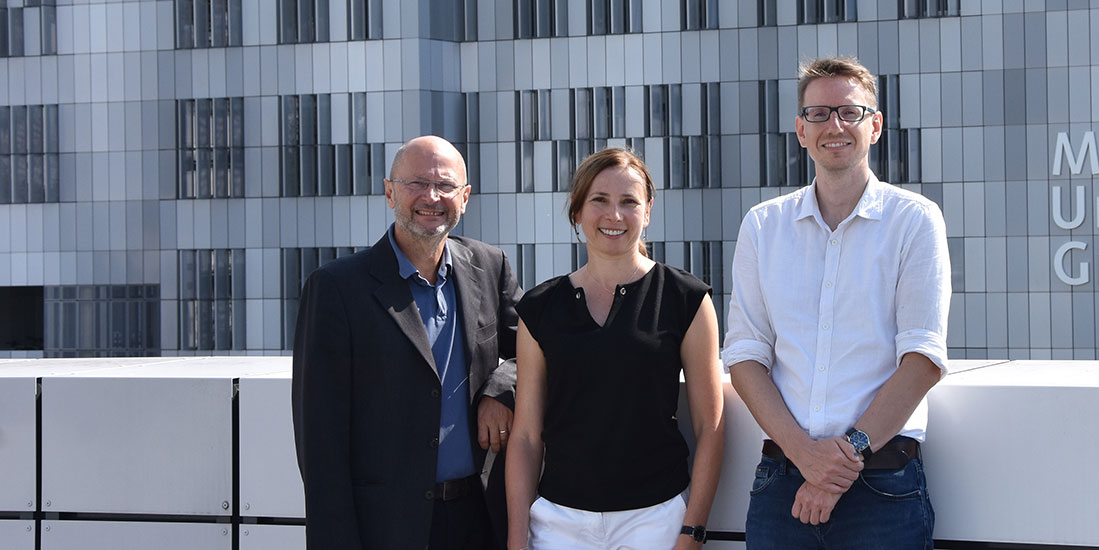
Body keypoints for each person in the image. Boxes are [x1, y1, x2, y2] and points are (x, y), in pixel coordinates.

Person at [722, 56, 951, 549]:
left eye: (850, 112)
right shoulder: (763, 226)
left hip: (884, 486)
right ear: (801, 130)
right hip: (783, 481)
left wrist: (839, 463)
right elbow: (743, 357)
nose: (836, 126)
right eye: (820, 114)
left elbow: (923, 360)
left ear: (876, 125)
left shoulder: (915, 220)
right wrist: (805, 455)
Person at [293, 135, 522, 550]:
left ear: (465, 197)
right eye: (416, 183)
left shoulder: (491, 266)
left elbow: (537, 346)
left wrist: (501, 387)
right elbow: (320, 442)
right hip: (386, 527)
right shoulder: (337, 289)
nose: (431, 197)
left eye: (445, 186)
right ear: (389, 192)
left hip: (482, 517)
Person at [505, 148, 725, 550]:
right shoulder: (539, 308)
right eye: (599, 201)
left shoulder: (686, 298)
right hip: (558, 522)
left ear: (648, 210)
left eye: (629, 202)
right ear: (577, 212)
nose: (615, 215)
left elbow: (710, 427)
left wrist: (691, 531)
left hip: (655, 518)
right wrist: (517, 536)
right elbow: (525, 437)